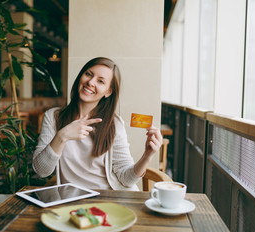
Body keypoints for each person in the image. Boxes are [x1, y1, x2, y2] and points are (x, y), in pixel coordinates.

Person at [33, 57, 163, 191]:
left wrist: (147, 155)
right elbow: (41, 171)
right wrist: (62, 136)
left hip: (112, 196)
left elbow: (126, 179)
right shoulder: (53, 117)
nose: (90, 82)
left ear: (108, 92)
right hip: (74, 201)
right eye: (88, 74)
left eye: (100, 81)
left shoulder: (114, 124)